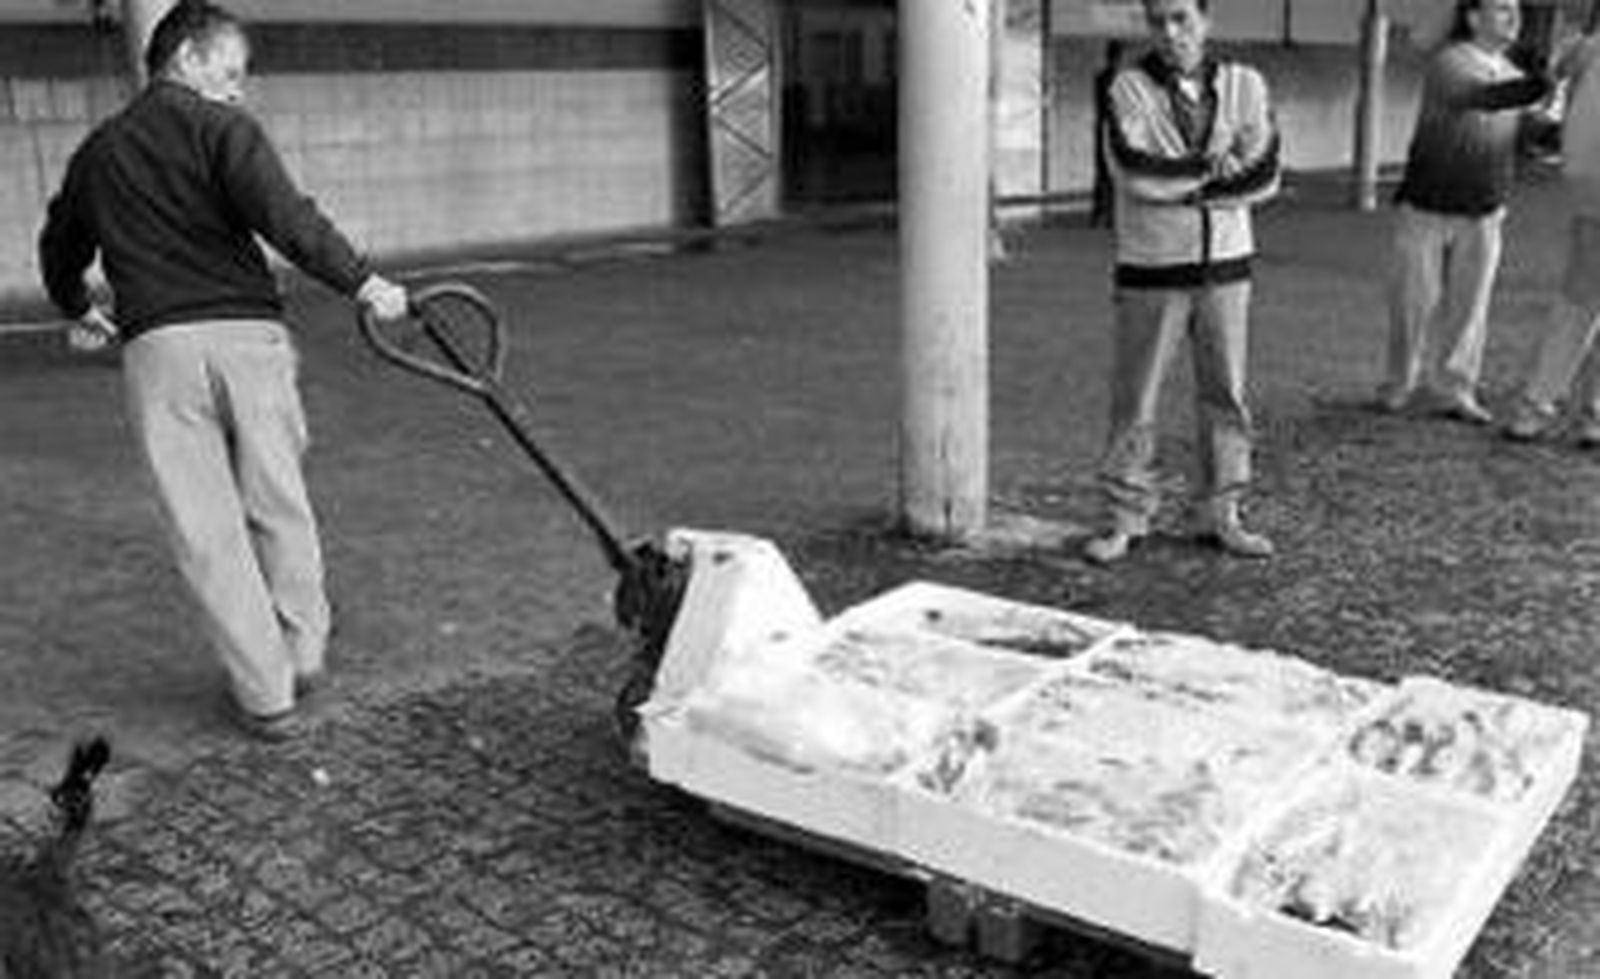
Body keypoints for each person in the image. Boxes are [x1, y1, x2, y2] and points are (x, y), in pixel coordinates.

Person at [37, 0, 410, 741]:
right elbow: (287, 216)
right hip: (248, 342)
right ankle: (303, 652)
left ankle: (265, 693)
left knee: (205, 529)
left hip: (158, 356)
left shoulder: (98, 152)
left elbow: (60, 244)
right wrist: (364, 281)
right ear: (186, 58)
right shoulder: (223, 128)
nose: (239, 88)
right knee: (278, 499)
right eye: (231, 70)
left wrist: (78, 305)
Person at [1083, 0, 1281, 565]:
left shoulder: (1246, 83)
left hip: (1227, 268)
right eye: (1158, 21)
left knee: (1227, 394)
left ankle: (1222, 514)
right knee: (1136, 397)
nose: (1169, 34)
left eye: (1181, 19)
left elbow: (1264, 171)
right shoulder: (1127, 88)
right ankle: (1124, 517)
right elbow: (1135, 169)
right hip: (1151, 267)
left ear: (1206, 20)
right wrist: (1212, 167)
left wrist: (1191, 179)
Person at [1377, 0, 1553, 423]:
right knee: (1413, 303)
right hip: (1427, 205)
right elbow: (1483, 98)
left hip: (1485, 207)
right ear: (1473, 18)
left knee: (1470, 308)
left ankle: (1454, 388)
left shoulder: (1513, 70)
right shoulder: (1449, 63)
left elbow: (1534, 131)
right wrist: (1541, 80)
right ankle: (1399, 383)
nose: (1513, 17)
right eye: (1501, 8)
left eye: (1516, 9)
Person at [1503, 30, 1600, 444]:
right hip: (1593, 187)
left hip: (1588, 184)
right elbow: (1553, 81)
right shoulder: (1588, 47)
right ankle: (1544, 404)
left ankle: (1555, 407)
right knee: (1581, 296)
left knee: (1581, 297)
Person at [1089, 38, 1128, 229]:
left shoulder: (1100, 77)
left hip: (1101, 127)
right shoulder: (1118, 80)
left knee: (1102, 172)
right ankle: (1110, 217)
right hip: (1112, 130)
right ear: (1119, 57)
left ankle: (1098, 215)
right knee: (1113, 173)